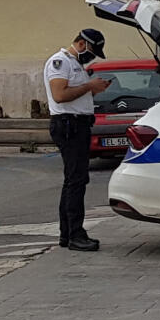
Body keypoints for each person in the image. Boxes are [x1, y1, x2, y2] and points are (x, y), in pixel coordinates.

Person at [44, 29, 111, 252]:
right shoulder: (60, 62)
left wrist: (93, 90)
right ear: (82, 44)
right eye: (92, 51)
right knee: (76, 181)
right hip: (68, 125)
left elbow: (75, 95)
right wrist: (89, 86)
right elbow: (60, 96)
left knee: (74, 180)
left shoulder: (76, 65)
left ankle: (67, 233)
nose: (92, 57)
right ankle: (75, 234)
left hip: (78, 125)